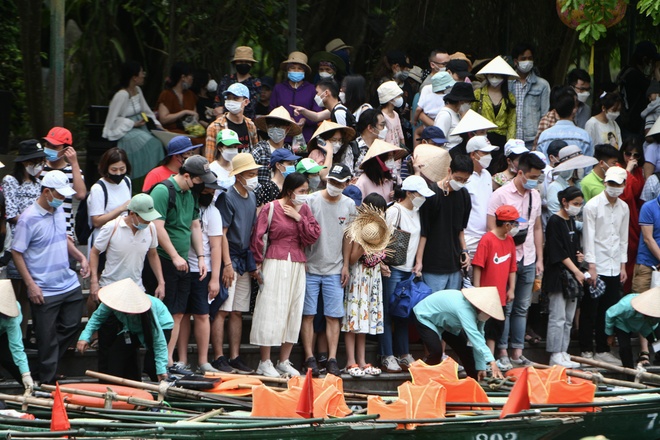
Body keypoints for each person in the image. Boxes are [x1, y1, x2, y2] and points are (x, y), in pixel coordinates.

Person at [11, 170, 89, 384]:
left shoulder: (57, 212)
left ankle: (44, 366)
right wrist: (31, 285)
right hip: (43, 287)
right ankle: (47, 379)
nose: (63, 199)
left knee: (72, 325)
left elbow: (62, 238)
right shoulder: (27, 219)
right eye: (60, 195)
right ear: (47, 192)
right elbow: (16, 252)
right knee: (46, 337)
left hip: (67, 281)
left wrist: (80, 256)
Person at [141, 155, 209, 374]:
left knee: (178, 313)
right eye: (199, 179)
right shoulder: (163, 190)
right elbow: (157, 226)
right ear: (187, 176)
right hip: (163, 259)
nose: (202, 184)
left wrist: (199, 257)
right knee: (164, 312)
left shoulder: (191, 193)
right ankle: (158, 363)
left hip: (183, 261)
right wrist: (174, 256)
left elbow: (195, 226)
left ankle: (169, 361)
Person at [88, 193, 166, 382]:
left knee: (132, 344)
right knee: (107, 343)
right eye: (144, 218)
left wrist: (161, 281)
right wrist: (93, 281)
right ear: (132, 214)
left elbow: (153, 254)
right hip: (110, 291)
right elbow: (95, 252)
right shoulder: (112, 227)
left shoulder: (151, 230)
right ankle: (105, 385)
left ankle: (132, 384)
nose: (147, 222)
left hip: (135, 293)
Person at [249, 172, 320, 377]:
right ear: (290, 191)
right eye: (301, 191)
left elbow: (313, 235)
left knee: (293, 309)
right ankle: (264, 361)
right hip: (274, 260)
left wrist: (299, 218)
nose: (305, 195)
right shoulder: (271, 207)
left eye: (306, 191)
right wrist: (257, 264)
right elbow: (258, 237)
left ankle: (284, 360)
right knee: (270, 308)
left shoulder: (304, 209)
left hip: (297, 262)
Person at [487, 152, 545, 369]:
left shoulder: (535, 195)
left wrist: (540, 258)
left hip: (528, 256)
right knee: (506, 306)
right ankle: (502, 351)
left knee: (523, 306)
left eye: (538, 177)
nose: (534, 181)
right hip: (504, 258)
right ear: (520, 172)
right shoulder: (500, 194)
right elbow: (490, 227)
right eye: (532, 176)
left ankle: (517, 352)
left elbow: (537, 227)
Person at [300, 164, 357, 377]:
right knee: (308, 314)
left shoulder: (349, 205)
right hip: (310, 266)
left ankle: (332, 358)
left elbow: (348, 237)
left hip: (335, 268)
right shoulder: (311, 200)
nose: (333, 186)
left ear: (347, 183)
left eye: (338, 183)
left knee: (334, 315)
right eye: (331, 181)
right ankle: (309, 357)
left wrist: (345, 265)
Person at [381, 175, 435, 373]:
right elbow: (382, 238)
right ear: (410, 194)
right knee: (388, 312)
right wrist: (382, 263)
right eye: (420, 194)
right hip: (393, 268)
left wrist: (418, 261)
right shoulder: (394, 211)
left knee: (403, 312)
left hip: (409, 269)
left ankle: (404, 353)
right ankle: (387, 355)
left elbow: (421, 237)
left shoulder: (418, 211)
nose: (423, 198)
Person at [212, 153, 261, 374]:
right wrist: (227, 264)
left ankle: (235, 356)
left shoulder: (251, 196)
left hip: (243, 257)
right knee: (223, 310)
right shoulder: (227, 197)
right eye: (250, 174)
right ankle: (218, 356)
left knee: (238, 311)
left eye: (255, 173)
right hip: (229, 256)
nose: (254, 177)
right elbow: (221, 233)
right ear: (239, 176)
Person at [77, 278, 172, 381]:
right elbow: (97, 318)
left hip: (161, 326)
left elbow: (159, 342)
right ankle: (117, 388)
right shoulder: (112, 301)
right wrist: (84, 337)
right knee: (116, 354)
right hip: (131, 329)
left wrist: (161, 370)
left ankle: (159, 388)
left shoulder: (149, 309)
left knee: (152, 366)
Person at [581, 166, 630, 366]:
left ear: (624, 185)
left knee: (608, 308)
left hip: (614, 264)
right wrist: (591, 265)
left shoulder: (624, 208)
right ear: (605, 183)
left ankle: (602, 348)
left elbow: (622, 237)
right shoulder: (592, 206)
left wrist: (623, 265)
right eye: (611, 183)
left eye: (618, 184)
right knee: (590, 308)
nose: (614, 188)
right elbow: (588, 237)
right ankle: (585, 350)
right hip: (597, 263)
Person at [177, 181, 224, 374]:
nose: (209, 193)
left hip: (204, 270)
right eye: (206, 189)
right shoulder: (186, 205)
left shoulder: (213, 212)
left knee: (203, 314)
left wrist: (215, 279)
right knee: (182, 315)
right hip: (181, 266)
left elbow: (216, 246)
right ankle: (181, 359)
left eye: (212, 190)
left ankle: (204, 360)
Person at [341, 196, 390, 377]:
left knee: (364, 319)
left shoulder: (378, 230)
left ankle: (361, 361)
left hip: (372, 278)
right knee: (353, 319)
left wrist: (382, 265)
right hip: (358, 277)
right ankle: (350, 361)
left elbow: (378, 256)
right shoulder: (356, 229)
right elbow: (353, 259)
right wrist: (364, 243)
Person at [3, 140, 47, 337]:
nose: (38, 165)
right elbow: (11, 213)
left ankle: (22, 335)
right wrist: (33, 222)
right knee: (14, 293)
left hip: (35, 245)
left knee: (29, 295)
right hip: (16, 240)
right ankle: (10, 338)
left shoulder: (39, 183)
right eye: (35, 161)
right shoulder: (10, 181)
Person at [412, 286, 505, 380]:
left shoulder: (481, 314)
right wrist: (491, 361)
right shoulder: (464, 308)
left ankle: (474, 381)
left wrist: (481, 366)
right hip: (425, 316)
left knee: (466, 351)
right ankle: (422, 379)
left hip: (445, 323)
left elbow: (480, 336)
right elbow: (474, 336)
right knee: (436, 352)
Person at [417, 154, 473, 292]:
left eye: (465, 180)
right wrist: (419, 261)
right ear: (449, 171)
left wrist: (464, 251)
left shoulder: (464, 195)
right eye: (458, 179)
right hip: (433, 263)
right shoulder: (431, 193)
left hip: (454, 263)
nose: (461, 183)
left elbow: (461, 229)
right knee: (435, 308)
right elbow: (424, 232)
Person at [543, 186, 584, 369]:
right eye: (575, 203)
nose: (577, 207)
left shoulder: (572, 221)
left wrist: (579, 257)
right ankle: (554, 353)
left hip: (572, 275)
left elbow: (572, 247)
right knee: (557, 317)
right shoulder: (554, 221)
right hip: (558, 276)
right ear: (564, 202)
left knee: (568, 318)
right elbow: (556, 252)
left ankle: (563, 350)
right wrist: (576, 270)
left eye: (580, 204)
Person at [102, 61, 165, 179]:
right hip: (125, 131)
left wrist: (157, 124)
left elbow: (146, 110)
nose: (143, 75)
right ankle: (139, 178)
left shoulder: (138, 90)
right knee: (153, 144)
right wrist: (132, 123)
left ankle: (152, 177)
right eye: (141, 73)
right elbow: (112, 120)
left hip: (141, 127)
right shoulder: (122, 94)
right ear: (134, 77)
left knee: (158, 141)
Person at [472, 205, 519, 360]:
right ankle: (483, 360)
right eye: (514, 223)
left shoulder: (510, 241)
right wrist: (477, 290)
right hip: (487, 295)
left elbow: (512, 267)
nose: (515, 227)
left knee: (496, 328)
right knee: (484, 327)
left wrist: (511, 288)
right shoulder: (487, 239)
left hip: (501, 296)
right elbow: (478, 265)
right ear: (507, 224)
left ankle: (490, 359)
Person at [41, 127, 86, 237]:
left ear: (66, 149)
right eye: (47, 145)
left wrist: (74, 163)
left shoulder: (73, 171)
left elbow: (80, 195)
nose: (49, 149)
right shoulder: (39, 168)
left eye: (55, 147)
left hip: (64, 230)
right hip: (40, 227)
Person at [270, 51, 323, 142]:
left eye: (299, 69)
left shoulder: (311, 89)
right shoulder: (279, 88)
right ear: (287, 70)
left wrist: (305, 119)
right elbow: (272, 111)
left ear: (304, 71)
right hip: (282, 137)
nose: (296, 71)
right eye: (292, 68)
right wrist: (286, 118)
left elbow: (318, 112)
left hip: (305, 137)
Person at [87, 147, 132, 248]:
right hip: (103, 240)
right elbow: (96, 221)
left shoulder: (126, 182)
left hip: (123, 237)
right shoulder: (98, 189)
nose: (118, 173)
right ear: (106, 168)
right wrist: (120, 209)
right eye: (114, 170)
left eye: (122, 169)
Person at [605, 287, 660, 369]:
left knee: (658, 343)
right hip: (623, 323)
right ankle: (629, 373)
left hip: (646, 324)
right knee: (625, 348)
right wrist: (610, 334)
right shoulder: (625, 304)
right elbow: (609, 314)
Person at [509, 43, 550, 148]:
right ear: (515, 61)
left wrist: (540, 138)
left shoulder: (542, 85)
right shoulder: (507, 83)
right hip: (510, 138)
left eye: (530, 58)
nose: (527, 61)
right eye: (523, 58)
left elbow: (545, 115)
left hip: (532, 139)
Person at [472, 56, 518, 149]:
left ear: (504, 77)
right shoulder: (478, 94)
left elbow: (512, 123)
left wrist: (510, 144)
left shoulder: (510, 97)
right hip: (482, 137)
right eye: (491, 75)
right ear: (486, 75)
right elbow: (471, 116)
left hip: (502, 139)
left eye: (498, 75)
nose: (494, 78)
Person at [618, 139, 646, 293]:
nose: (631, 157)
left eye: (636, 155)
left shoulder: (640, 171)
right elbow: (625, 195)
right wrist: (627, 171)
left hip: (635, 216)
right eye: (628, 154)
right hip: (622, 216)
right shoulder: (617, 169)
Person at [205, 83, 259, 161]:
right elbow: (210, 159)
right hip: (225, 171)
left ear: (246, 102)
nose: (231, 101)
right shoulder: (215, 127)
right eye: (228, 98)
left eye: (235, 98)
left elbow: (255, 153)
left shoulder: (250, 125)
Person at [463, 136, 498, 257]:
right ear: (473, 154)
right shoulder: (464, 178)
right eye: (485, 152)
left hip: (487, 237)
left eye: (490, 152)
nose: (489, 156)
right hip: (469, 238)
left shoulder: (487, 174)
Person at [537, 86, 593, 158]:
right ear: (574, 109)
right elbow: (588, 166)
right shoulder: (584, 136)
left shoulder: (544, 136)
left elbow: (539, 160)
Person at [251, 106, 301, 185]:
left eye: (278, 126)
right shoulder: (259, 150)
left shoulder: (288, 150)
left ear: (287, 129)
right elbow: (251, 177)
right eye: (271, 126)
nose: (275, 129)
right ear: (267, 128)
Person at [0, 280, 35, 391]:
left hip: (3, 332)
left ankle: (30, 387)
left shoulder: (11, 316)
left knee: (8, 358)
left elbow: (17, 347)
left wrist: (26, 374)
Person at [618, 41, 657, 136]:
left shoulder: (626, 71)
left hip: (626, 121)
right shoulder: (635, 76)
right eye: (651, 62)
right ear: (645, 59)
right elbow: (653, 90)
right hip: (634, 125)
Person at [156, 62, 202, 142]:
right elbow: (163, 119)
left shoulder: (190, 95)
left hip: (189, 130)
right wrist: (184, 112)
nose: (192, 78)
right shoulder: (166, 94)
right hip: (171, 131)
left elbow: (194, 115)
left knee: (203, 140)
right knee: (192, 141)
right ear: (183, 77)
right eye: (190, 76)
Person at [547, 145, 597, 215]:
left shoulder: (579, 185)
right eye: (576, 167)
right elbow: (555, 215)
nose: (579, 169)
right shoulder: (554, 187)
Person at [215, 46, 261, 120]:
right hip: (224, 123)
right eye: (240, 62)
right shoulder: (226, 79)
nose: (243, 64)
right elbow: (218, 100)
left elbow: (251, 106)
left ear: (251, 64)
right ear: (235, 63)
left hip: (245, 123)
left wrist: (224, 109)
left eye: (246, 62)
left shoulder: (255, 83)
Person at [434, 82, 476, 150]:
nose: (469, 105)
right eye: (468, 102)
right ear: (461, 101)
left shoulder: (457, 114)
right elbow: (438, 140)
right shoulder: (445, 115)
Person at [353, 109, 386, 176]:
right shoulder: (353, 148)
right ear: (370, 128)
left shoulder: (383, 148)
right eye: (382, 125)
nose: (385, 129)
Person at [377, 81, 405, 148]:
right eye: (398, 96)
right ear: (390, 99)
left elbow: (401, 135)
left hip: (397, 153)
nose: (400, 98)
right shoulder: (381, 117)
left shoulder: (396, 114)